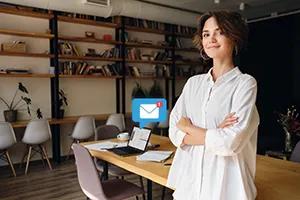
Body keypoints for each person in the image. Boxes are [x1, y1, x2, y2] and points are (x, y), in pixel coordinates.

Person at [167, 11, 260, 200]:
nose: (211, 39)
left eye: (219, 32)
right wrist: (215, 131)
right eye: (206, 34)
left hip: (227, 187)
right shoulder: (194, 83)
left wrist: (189, 128)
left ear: (234, 37)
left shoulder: (245, 83)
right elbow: (174, 133)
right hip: (190, 185)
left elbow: (230, 142)